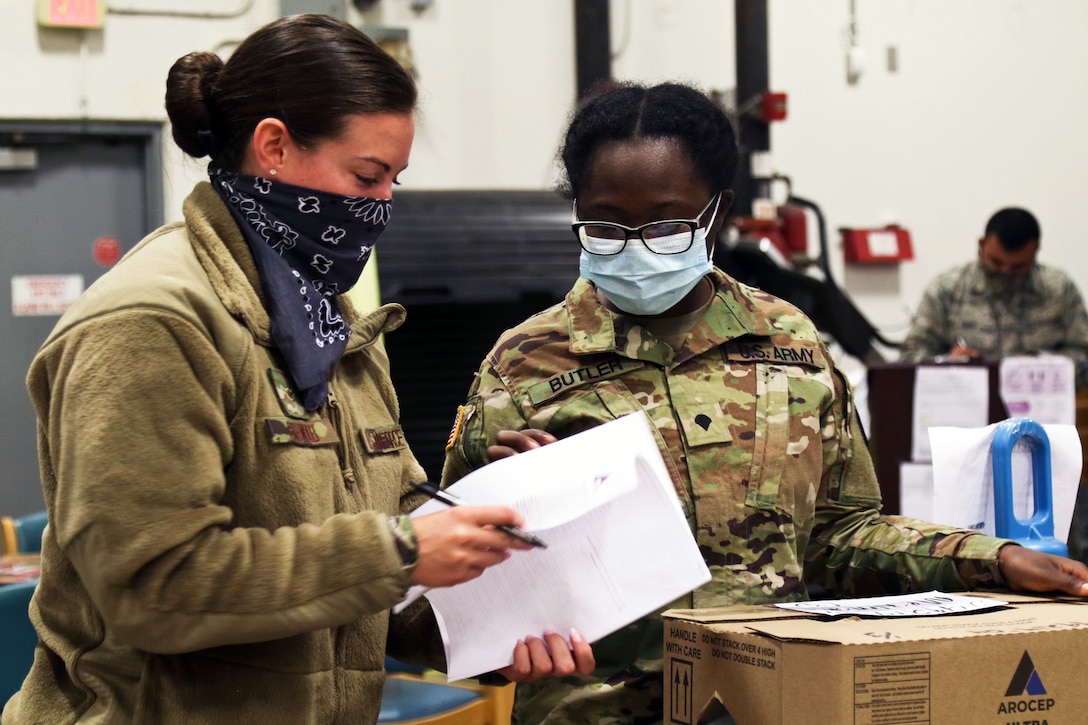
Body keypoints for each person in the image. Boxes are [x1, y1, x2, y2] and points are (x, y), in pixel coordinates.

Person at [440, 81, 1088, 724]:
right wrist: (508, 510)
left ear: (717, 212)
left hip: (771, 701)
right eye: (607, 226)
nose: (636, 247)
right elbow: (444, 596)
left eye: (666, 224)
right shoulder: (523, 364)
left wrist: (990, 557)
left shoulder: (791, 345)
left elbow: (842, 534)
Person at [2, 14, 558, 725]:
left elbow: (369, 577)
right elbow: (153, 587)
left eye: (396, 178)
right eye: (368, 174)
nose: (385, 203)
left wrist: (488, 626)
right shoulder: (155, 320)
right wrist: (402, 552)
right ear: (272, 146)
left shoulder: (332, 323)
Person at [899, 207, 1088, 388]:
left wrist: (1043, 365)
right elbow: (909, 356)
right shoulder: (948, 289)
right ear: (981, 244)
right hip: (966, 409)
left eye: (1018, 267)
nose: (1005, 272)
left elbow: (1084, 355)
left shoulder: (1059, 290)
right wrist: (947, 362)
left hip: (1042, 409)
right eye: (996, 263)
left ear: (1036, 250)